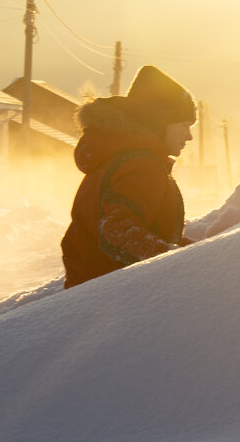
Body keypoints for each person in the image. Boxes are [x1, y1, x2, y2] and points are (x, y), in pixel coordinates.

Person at [60, 65, 196, 288]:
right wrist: (175, 261)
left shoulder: (118, 160)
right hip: (113, 300)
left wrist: (192, 252)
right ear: (160, 123)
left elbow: (144, 230)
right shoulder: (143, 166)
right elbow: (118, 230)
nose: (189, 136)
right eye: (183, 125)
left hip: (91, 295)